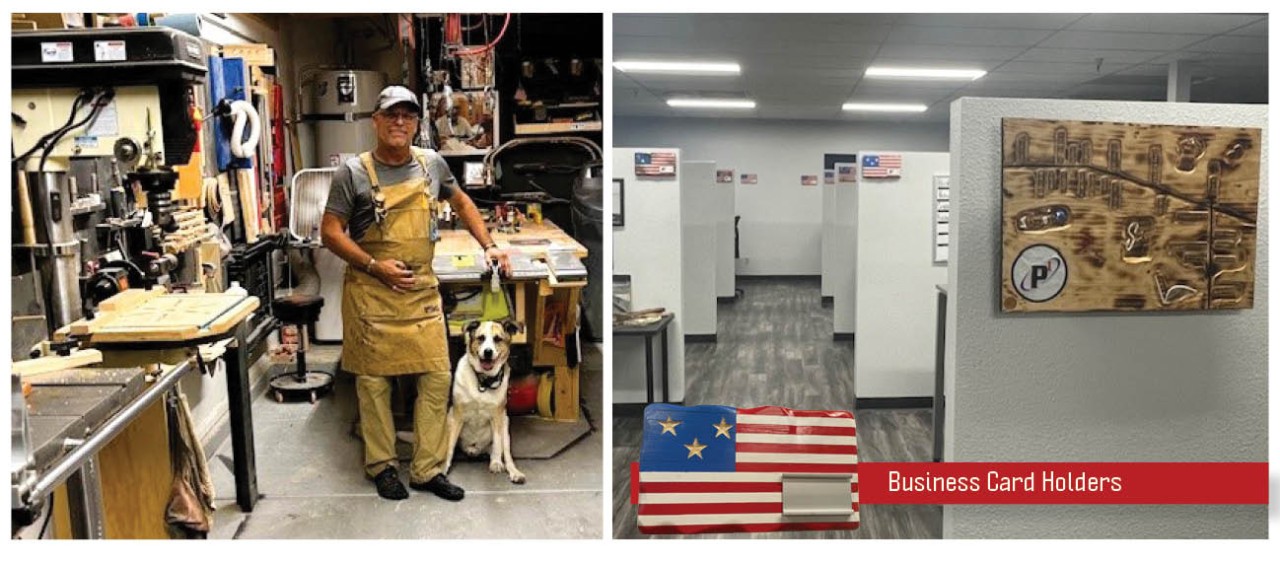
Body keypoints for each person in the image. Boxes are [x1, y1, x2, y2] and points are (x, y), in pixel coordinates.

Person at [321, 85, 511, 501]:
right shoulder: (352, 173)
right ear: (376, 120)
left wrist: (490, 244)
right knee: (373, 385)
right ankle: (383, 466)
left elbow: (462, 204)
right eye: (391, 115)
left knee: (437, 377)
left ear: (416, 123)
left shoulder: (432, 166)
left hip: (420, 291)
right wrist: (374, 266)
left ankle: (426, 469)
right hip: (372, 292)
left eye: (407, 116)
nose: (400, 123)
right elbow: (330, 232)